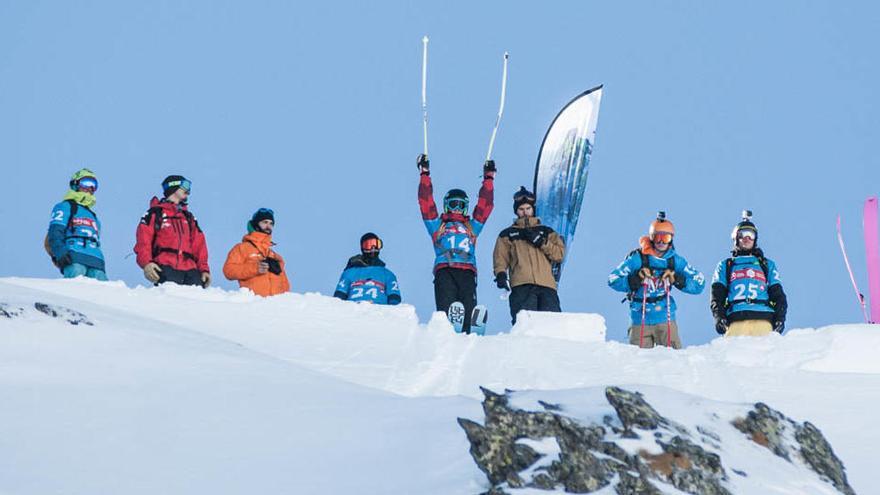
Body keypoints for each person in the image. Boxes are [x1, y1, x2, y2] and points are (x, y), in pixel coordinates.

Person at [417, 154, 495, 333]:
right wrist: (425, 174)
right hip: (445, 269)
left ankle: (469, 327)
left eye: (461, 205)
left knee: (467, 300)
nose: (457, 209)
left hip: (467, 269)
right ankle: (446, 325)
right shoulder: (438, 226)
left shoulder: (471, 227)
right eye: (453, 204)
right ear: (446, 206)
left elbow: (485, 206)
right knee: (447, 301)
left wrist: (488, 178)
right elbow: (426, 203)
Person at [608, 212, 705, 348]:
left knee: (673, 360)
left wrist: (677, 279)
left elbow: (699, 284)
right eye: (657, 237)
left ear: (671, 239)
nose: (660, 242)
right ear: (651, 237)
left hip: (665, 318)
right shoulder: (638, 258)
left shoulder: (674, 261)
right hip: (639, 318)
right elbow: (612, 279)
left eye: (665, 237)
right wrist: (636, 279)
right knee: (639, 362)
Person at [492, 186, 565, 324]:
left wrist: (540, 241)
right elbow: (500, 258)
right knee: (525, 326)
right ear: (516, 211)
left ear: (533, 209)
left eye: (528, 209)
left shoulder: (546, 231)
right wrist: (500, 275)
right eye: (521, 209)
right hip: (521, 285)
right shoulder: (507, 234)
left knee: (552, 325)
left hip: (546, 285)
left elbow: (559, 254)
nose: (525, 212)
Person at [710, 211, 788, 337]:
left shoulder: (766, 265)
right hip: (736, 319)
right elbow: (717, 296)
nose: (746, 238)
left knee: (765, 354)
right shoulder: (726, 265)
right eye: (742, 235)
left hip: (763, 318)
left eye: (750, 235)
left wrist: (780, 317)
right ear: (736, 238)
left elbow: (778, 295)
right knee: (734, 355)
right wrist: (719, 316)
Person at [134, 175, 211, 287]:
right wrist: (147, 263)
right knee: (170, 301)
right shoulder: (156, 213)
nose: (188, 190)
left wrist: (204, 269)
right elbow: (144, 240)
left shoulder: (188, 217)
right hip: (165, 266)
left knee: (194, 301)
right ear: (173, 187)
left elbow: (199, 244)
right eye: (185, 185)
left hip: (190, 270)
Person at [45, 168, 107, 280]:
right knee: (75, 290)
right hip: (74, 257)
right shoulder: (65, 207)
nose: (90, 188)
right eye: (86, 183)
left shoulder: (93, 216)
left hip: (96, 260)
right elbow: (55, 232)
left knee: (103, 293)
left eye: (94, 185)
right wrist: (60, 253)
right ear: (75, 184)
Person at [222, 208, 290, 297]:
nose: (268, 226)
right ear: (256, 224)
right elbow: (228, 271)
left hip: (276, 306)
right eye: (265, 222)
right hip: (254, 305)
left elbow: (285, 285)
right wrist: (255, 268)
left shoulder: (273, 255)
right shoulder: (242, 248)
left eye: (271, 223)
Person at [334, 232, 401, 305]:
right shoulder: (350, 272)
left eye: (376, 244)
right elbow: (338, 298)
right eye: (368, 245)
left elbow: (394, 298)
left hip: (379, 311)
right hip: (353, 310)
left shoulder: (388, 274)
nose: (373, 248)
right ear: (362, 248)